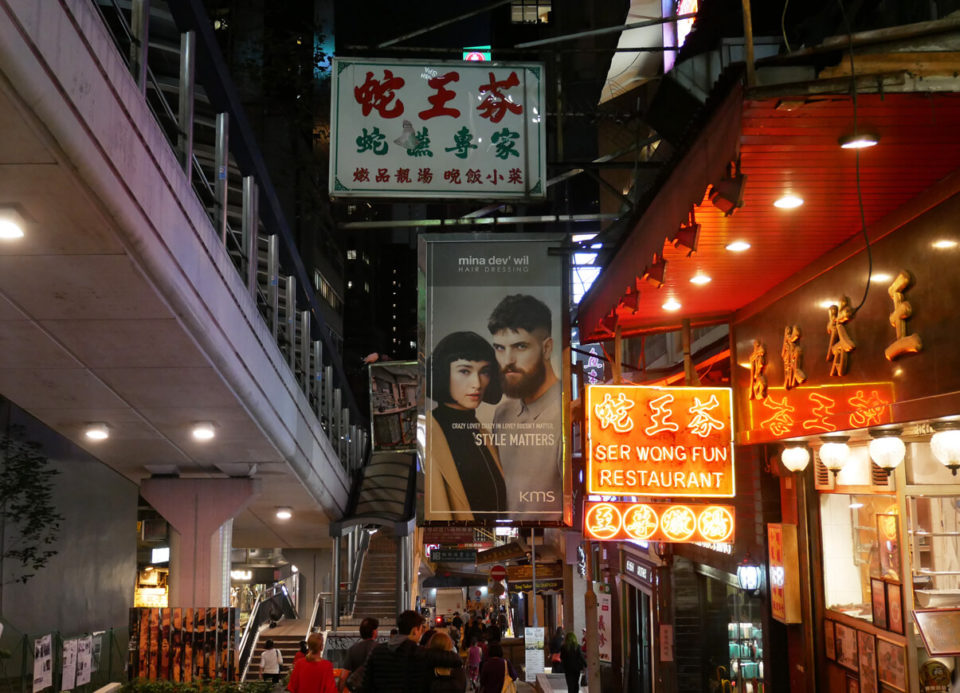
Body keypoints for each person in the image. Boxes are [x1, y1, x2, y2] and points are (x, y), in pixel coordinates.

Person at [487, 295, 562, 514]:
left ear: (547, 348)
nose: (507, 360)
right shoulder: (503, 414)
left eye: (520, 346)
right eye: (500, 348)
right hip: (513, 539)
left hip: (555, 544)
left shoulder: (568, 414)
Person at [426, 331, 506, 521]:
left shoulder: (483, 434)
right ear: (443, 373)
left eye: (484, 372)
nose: (477, 384)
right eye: (464, 371)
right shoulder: (426, 433)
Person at [362, 610, 462, 693]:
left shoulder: (377, 651)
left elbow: (365, 684)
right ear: (414, 630)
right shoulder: (418, 653)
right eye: (421, 629)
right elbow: (456, 660)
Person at [344, 617, 379, 693]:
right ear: (374, 632)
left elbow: (345, 674)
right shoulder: (380, 649)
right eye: (376, 629)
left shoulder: (352, 649)